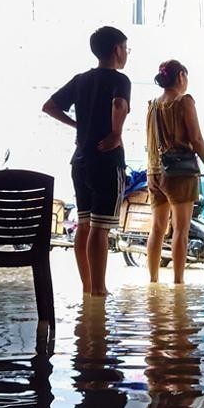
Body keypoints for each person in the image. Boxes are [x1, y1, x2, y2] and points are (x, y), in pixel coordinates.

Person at [42, 26, 131, 297]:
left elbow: (50, 106)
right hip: (106, 160)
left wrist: (78, 125)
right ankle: (99, 288)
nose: (126, 53)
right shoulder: (120, 80)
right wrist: (116, 133)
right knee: (100, 228)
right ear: (116, 50)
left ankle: (87, 288)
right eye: (126, 47)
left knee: (84, 224)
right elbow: (118, 105)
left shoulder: (80, 80)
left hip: (80, 161)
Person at [145, 60, 204, 285]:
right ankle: (178, 283)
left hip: (154, 172)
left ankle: (153, 280)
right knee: (181, 229)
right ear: (181, 76)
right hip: (179, 174)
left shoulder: (153, 105)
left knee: (157, 229)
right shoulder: (184, 102)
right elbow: (195, 138)